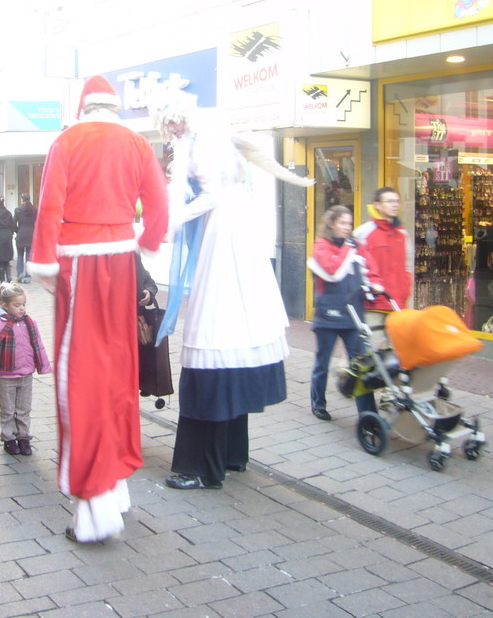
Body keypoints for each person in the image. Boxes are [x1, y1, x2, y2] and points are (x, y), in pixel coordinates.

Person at [29, 74, 168, 544]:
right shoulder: (136, 143)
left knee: (80, 376)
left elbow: (51, 205)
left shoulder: (67, 140)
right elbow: (157, 208)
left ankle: (93, 504)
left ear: (84, 106)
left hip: (78, 265)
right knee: (117, 370)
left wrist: (45, 264)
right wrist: (144, 242)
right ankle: (117, 483)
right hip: (121, 262)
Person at [151, 88, 311, 493]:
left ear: (185, 118)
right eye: (166, 122)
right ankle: (231, 455)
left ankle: (202, 468)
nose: (171, 128)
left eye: (173, 120)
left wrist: (166, 224)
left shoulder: (202, 146)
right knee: (232, 326)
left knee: (213, 332)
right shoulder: (212, 140)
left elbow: (211, 196)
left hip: (222, 238)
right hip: (235, 237)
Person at [307, 205, 383, 420]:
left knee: (360, 364)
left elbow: (371, 270)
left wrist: (375, 285)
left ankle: (368, 414)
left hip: (353, 315)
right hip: (328, 314)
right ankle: (318, 403)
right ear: (331, 223)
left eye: (349, 224)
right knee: (322, 362)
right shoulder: (321, 245)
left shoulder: (357, 246)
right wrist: (347, 249)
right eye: (342, 223)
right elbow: (332, 269)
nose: (347, 228)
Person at [0, 282, 51, 456]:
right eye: (17, 305)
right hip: (6, 375)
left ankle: (24, 437)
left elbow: (38, 345)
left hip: (26, 374)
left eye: (23, 304)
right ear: (5, 305)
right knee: (7, 409)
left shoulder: (29, 322)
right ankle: (8, 438)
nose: (21, 308)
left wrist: (43, 366)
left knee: (24, 408)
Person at [353, 187, 413, 351]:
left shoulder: (403, 235)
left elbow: (407, 267)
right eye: (389, 201)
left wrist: (405, 293)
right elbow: (355, 265)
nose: (394, 205)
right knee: (369, 352)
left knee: (398, 354)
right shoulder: (363, 233)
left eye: (396, 201)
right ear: (377, 205)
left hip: (397, 304)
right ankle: (347, 373)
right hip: (373, 303)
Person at [13, 193, 37, 284]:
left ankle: (20, 273)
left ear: (22, 199)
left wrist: (17, 231)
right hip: (31, 235)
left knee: (19, 255)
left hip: (21, 234)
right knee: (28, 256)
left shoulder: (17, 210)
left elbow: (13, 223)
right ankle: (28, 276)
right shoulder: (35, 210)